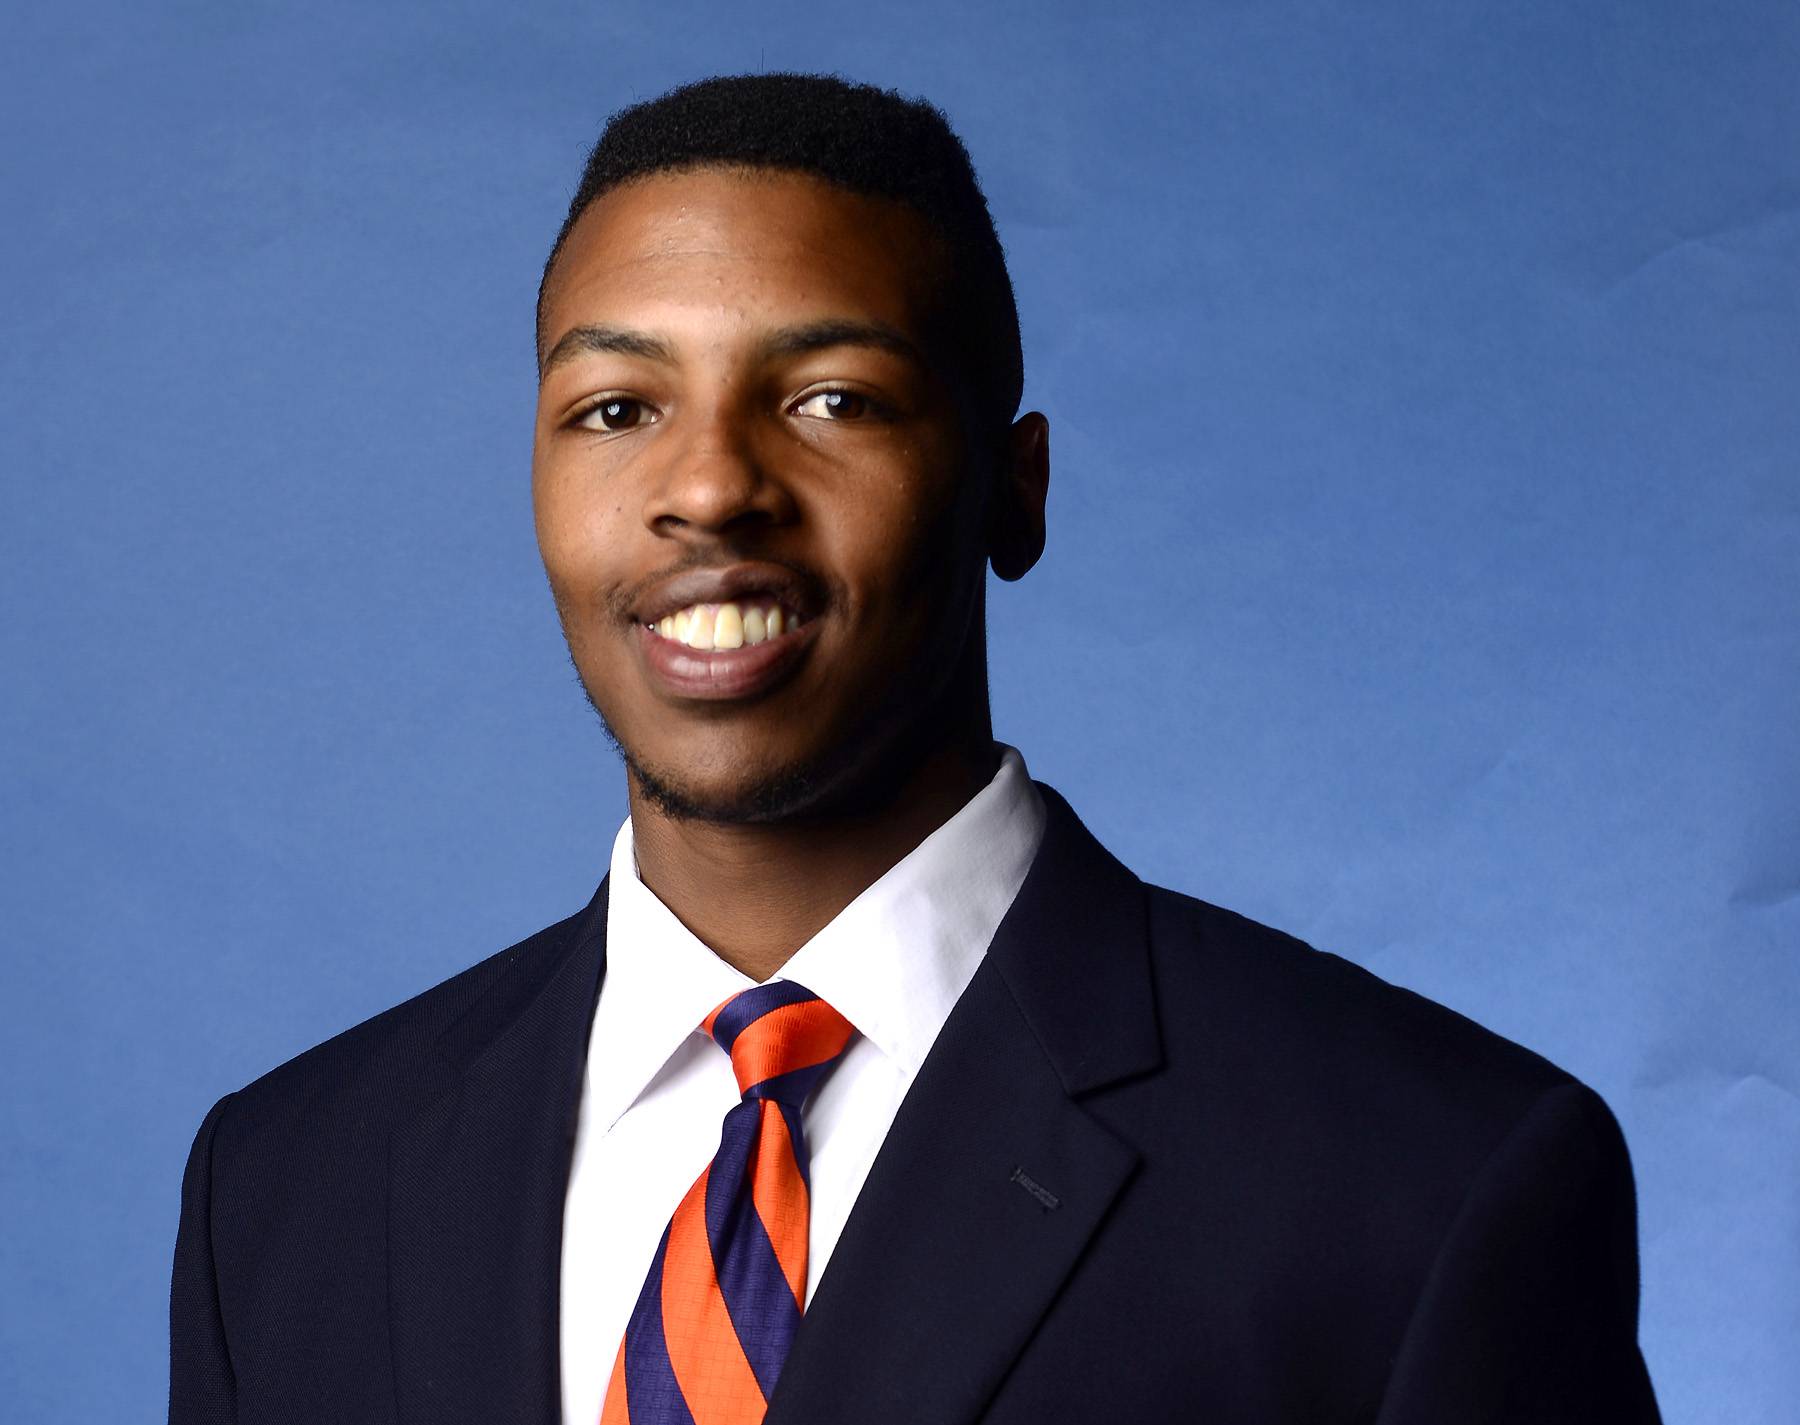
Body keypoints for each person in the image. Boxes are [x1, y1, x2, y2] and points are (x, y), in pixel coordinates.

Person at [168, 73, 1662, 1424]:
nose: (710, 486)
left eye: (833, 399)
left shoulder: (1423, 1185)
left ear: (1016, 487)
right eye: (616, 408)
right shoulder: (287, 1189)